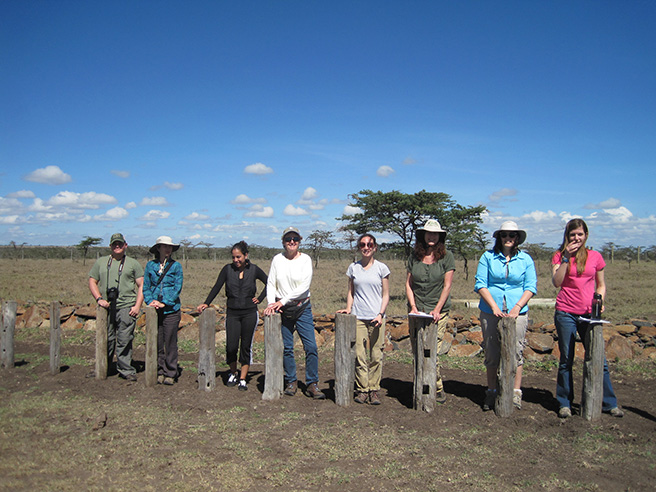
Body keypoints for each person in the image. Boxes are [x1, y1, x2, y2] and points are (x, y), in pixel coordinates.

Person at [552, 219, 623, 418]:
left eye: (580, 234)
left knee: (598, 357)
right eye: (572, 234)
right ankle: (564, 402)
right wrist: (566, 258)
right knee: (566, 358)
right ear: (567, 236)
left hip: (589, 315)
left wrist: (599, 301)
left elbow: (601, 284)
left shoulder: (595, 257)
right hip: (565, 311)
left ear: (586, 235)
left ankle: (609, 402)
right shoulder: (559, 256)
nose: (576, 238)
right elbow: (557, 282)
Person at [474, 221, 537, 411]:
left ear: (517, 238)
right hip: (490, 310)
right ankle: (492, 391)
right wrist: (493, 306)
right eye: (504, 235)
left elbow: (531, 287)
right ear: (499, 238)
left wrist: (518, 307)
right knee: (492, 351)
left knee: (516, 352)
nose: (508, 238)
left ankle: (515, 392)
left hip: (517, 312)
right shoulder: (488, 257)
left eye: (512, 235)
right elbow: (480, 283)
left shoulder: (525, 259)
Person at [263, 227, 326, 400]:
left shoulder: (305, 259)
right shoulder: (277, 259)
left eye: (295, 238)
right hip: (283, 310)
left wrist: (281, 301)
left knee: (311, 347)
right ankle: (291, 380)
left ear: (300, 240)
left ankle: (312, 383)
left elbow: (303, 287)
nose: (292, 241)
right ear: (283, 241)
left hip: (302, 307)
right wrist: (270, 303)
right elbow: (271, 283)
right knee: (287, 347)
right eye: (288, 238)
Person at [197, 241, 267, 391]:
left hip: (249, 312)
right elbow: (217, 286)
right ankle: (233, 373)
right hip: (233, 313)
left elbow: (270, 283)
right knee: (231, 346)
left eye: (239, 257)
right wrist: (206, 303)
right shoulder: (227, 269)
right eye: (233, 257)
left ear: (246, 255)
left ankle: (243, 378)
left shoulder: (254, 270)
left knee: (246, 346)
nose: (236, 260)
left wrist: (260, 299)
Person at [405, 219, 455, 404]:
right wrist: (413, 306)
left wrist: (437, 309)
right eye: (429, 233)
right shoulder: (414, 256)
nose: (432, 236)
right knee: (417, 349)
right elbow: (409, 284)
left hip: (438, 311)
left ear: (440, 236)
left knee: (432, 351)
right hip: (417, 310)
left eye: (435, 233)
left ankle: (437, 386)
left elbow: (447, 285)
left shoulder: (447, 256)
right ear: (423, 236)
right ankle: (420, 383)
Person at [337, 233, 390, 405]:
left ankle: (374, 389)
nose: (366, 247)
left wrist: (380, 314)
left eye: (369, 244)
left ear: (375, 247)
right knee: (359, 355)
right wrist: (348, 308)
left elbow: (386, 294)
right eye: (362, 244)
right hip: (358, 317)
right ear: (359, 247)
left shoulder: (382, 268)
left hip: (377, 317)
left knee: (376, 355)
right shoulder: (353, 268)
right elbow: (351, 291)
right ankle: (362, 389)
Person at [88, 233, 144, 381]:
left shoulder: (133, 264)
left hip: (126, 306)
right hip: (105, 307)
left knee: (124, 339)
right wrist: (99, 298)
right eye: (114, 244)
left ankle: (125, 369)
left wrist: (137, 305)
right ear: (110, 246)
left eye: (120, 244)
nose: (117, 246)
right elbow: (92, 280)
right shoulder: (101, 262)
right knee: (105, 338)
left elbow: (142, 285)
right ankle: (102, 367)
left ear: (125, 245)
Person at [143, 236, 183, 386]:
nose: (167, 249)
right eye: (164, 246)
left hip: (171, 310)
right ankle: (159, 370)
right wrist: (150, 301)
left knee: (170, 342)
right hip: (154, 309)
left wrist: (164, 302)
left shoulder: (176, 266)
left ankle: (171, 372)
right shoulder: (150, 266)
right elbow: (146, 286)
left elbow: (177, 288)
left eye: (170, 247)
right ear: (158, 248)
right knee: (157, 341)